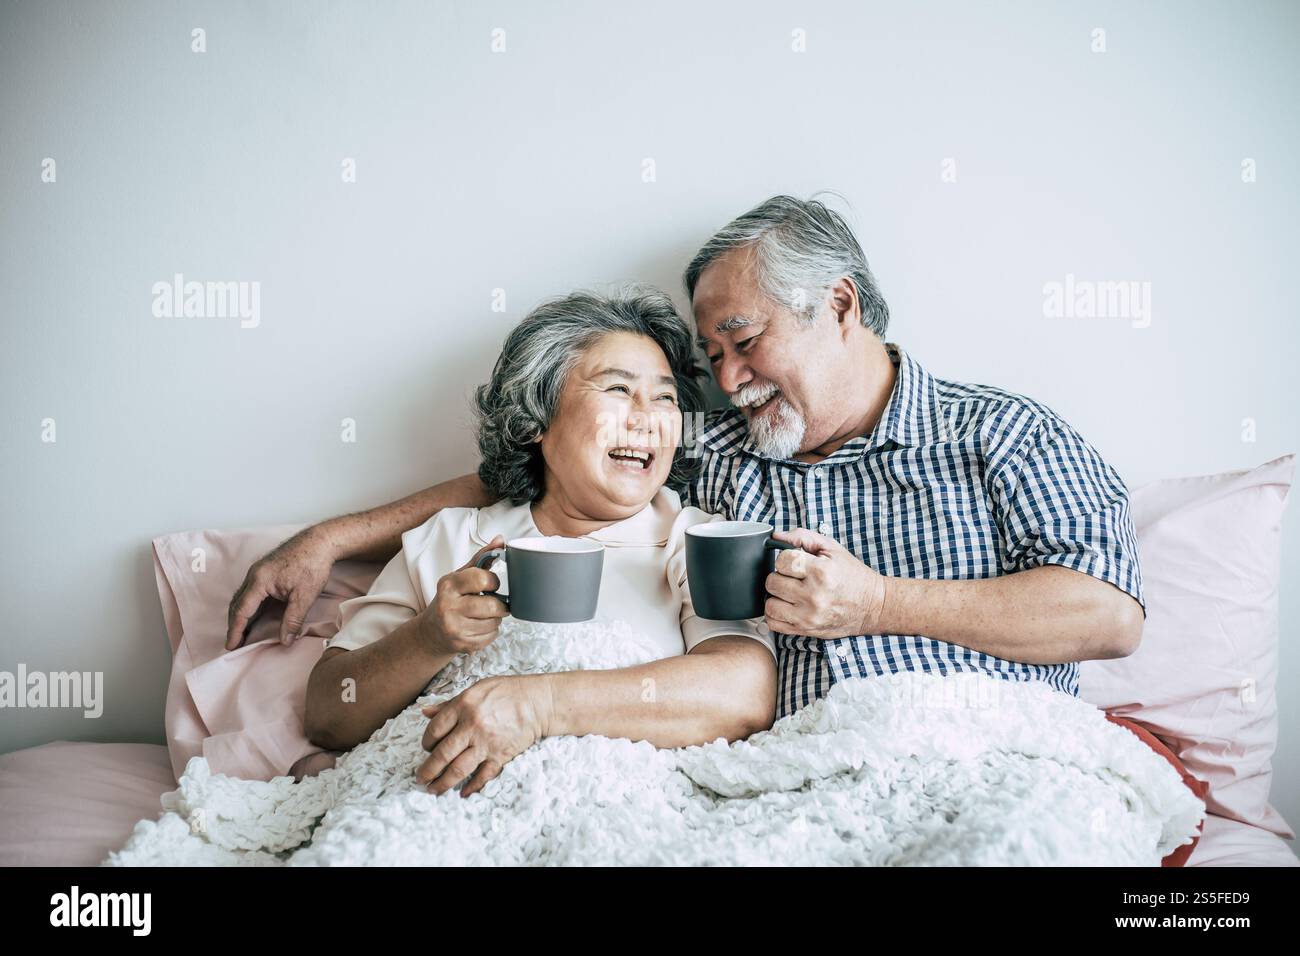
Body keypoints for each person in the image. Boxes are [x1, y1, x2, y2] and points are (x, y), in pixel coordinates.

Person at [230, 193, 1144, 744]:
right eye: (711, 361)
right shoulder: (726, 441)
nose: (730, 382)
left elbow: (1109, 618)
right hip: (799, 779)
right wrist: (334, 537)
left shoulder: (1003, 434)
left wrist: (877, 604)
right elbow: (553, 472)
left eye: (743, 341)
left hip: (994, 746)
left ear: (839, 304)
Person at [292, 289, 776, 793]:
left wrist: (539, 706)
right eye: (617, 389)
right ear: (537, 419)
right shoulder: (450, 537)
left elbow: (743, 694)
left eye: (665, 398)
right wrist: (429, 638)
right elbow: (329, 712)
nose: (646, 417)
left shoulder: (693, 540)